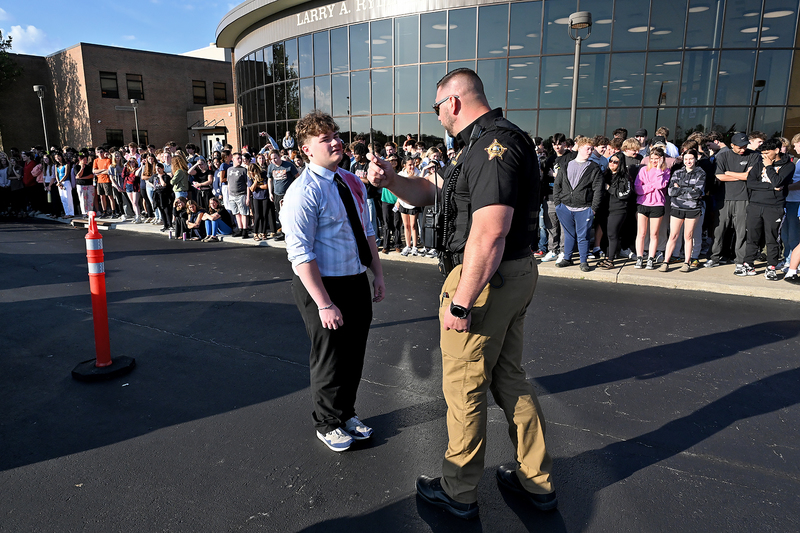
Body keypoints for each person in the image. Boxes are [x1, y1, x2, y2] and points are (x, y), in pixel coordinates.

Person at [367, 68, 555, 520]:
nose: (437, 117)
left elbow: (490, 232)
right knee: (509, 378)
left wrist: (461, 301)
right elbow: (440, 195)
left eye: (436, 108)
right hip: (507, 276)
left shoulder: (492, 146)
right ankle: (536, 479)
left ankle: (459, 491)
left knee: (464, 387)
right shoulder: (480, 144)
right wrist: (392, 181)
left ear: (453, 102)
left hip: (485, 280)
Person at [280, 111, 385, 454]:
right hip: (322, 286)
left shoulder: (351, 181)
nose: (335, 142)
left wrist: (378, 274)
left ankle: (347, 414)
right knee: (330, 357)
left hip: (354, 280)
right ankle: (327, 423)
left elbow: (367, 231)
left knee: (354, 354)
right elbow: (300, 254)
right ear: (306, 149)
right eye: (325, 139)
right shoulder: (302, 192)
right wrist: (325, 303)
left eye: (335, 135)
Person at [740, 138, 796, 279]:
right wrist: (770, 187)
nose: (764, 156)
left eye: (767, 153)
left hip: (774, 207)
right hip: (755, 205)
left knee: (772, 238)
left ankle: (771, 267)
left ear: (776, 150)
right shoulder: (759, 164)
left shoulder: (788, 165)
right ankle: (748, 264)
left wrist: (770, 167)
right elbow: (750, 183)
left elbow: (778, 182)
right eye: (762, 153)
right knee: (752, 236)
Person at [705, 133, 759, 273]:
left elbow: (749, 176)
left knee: (741, 232)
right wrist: (740, 176)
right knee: (718, 230)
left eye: (745, 146)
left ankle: (740, 261)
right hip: (724, 198)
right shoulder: (723, 156)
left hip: (744, 198)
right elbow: (719, 176)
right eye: (740, 147)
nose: (743, 149)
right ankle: (714, 257)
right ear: (732, 145)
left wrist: (729, 173)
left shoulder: (754, 156)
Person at [553, 137, 604, 272]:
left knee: (583, 236)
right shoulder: (566, 165)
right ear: (580, 148)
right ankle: (567, 258)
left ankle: (583, 261)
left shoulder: (594, 168)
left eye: (591, 149)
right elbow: (557, 185)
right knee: (568, 234)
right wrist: (558, 204)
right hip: (565, 207)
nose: (590, 151)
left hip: (584, 208)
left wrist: (593, 209)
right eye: (588, 148)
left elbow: (598, 190)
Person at [659, 149, 706, 272]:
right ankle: (666, 262)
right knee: (673, 235)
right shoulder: (678, 172)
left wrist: (680, 189)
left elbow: (697, 193)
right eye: (686, 159)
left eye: (691, 158)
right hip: (677, 207)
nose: (688, 161)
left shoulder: (700, 173)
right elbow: (671, 191)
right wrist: (688, 189)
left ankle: (686, 262)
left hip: (692, 208)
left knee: (688, 236)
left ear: (695, 159)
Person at [634, 147, 670, 270]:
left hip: (657, 204)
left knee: (654, 233)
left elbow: (660, 185)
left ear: (661, 159)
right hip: (643, 203)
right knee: (641, 233)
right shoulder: (643, 170)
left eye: (657, 159)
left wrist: (659, 169)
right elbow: (638, 188)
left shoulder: (665, 171)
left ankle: (650, 258)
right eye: (652, 158)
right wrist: (651, 186)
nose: (654, 161)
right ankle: (639, 257)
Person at [598, 152, 633, 269]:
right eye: (611, 161)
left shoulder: (625, 177)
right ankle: (607, 257)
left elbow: (625, 194)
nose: (612, 163)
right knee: (606, 234)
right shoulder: (605, 175)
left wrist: (610, 188)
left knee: (613, 234)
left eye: (615, 162)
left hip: (618, 209)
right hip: (605, 209)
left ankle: (611, 260)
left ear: (620, 163)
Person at [267, 148, 299, 241]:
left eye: (275, 158)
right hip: (277, 193)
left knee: (289, 214)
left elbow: (297, 178)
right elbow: (270, 180)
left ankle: (291, 232)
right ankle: (283, 232)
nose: (274, 160)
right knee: (280, 214)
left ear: (279, 156)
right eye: (272, 159)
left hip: (288, 194)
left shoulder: (289, 165)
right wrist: (270, 193)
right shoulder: (271, 167)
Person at [92, 147, 117, 218]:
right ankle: (104, 211)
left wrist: (99, 171)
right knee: (101, 196)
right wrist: (103, 170)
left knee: (110, 196)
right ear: (96, 153)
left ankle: (113, 211)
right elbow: (94, 171)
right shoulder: (96, 160)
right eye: (98, 152)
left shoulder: (108, 160)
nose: (100, 153)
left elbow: (108, 171)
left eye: (101, 152)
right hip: (99, 181)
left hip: (107, 180)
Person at [53, 152, 74, 219]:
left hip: (66, 182)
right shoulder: (56, 166)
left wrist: (60, 181)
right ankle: (66, 212)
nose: (57, 158)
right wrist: (58, 182)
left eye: (58, 157)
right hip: (60, 183)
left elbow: (66, 174)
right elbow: (56, 175)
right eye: (56, 157)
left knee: (68, 198)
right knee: (63, 199)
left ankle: (71, 213)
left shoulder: (66, 165)